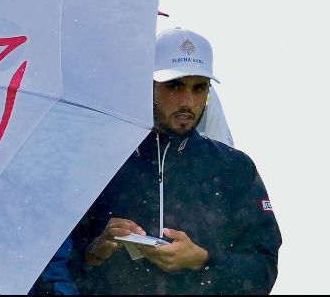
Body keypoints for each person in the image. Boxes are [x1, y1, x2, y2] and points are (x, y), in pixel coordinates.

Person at [72, 27, 282, 294]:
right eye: (174, 86)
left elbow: (263, 270)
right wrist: (94, 253)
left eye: (199, 88)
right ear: (147, 86)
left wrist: (203, 261)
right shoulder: (98, 162)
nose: (187, 101)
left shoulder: (235, 168)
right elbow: (51, 266)